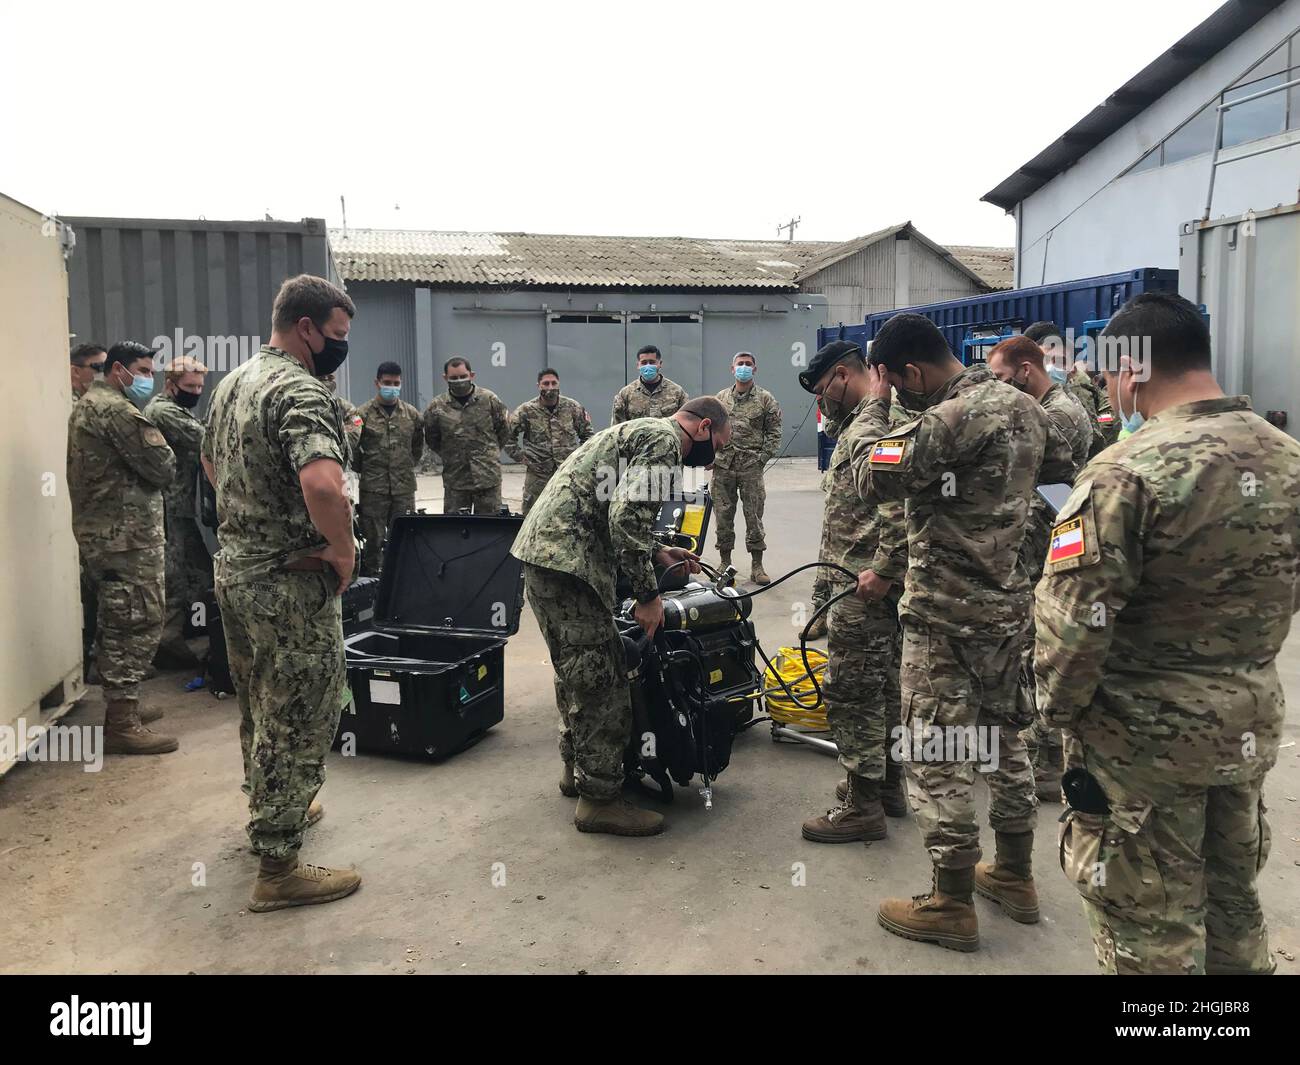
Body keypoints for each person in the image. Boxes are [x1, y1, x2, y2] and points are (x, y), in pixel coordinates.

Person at [1036, 292, 1300, 975]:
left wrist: (1056, 720)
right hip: (1244, 724)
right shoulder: (1288, 459)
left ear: (1133, 366)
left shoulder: (1124, 472)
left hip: (1139, 749)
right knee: (1232, 900)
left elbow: (1071, 631)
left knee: (1149, 926)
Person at [846, 313, 1072, 952]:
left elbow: (868, 477)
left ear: (910, 373)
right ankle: (1015, 873)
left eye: (892, 379)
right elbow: (1059, 462)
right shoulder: (1023, 407)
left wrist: (875, 406)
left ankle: (949, 901)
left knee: (937, 750)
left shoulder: (947, 418)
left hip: (945, 619)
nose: (890, 389)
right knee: (1005, 741)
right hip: (1009, 611)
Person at [201, 274, 361, 913]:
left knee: (259, 699)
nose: (340, 348)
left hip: (237, 573)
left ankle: (273, 802)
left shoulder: (234, 383)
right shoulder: (300, 389)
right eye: (338, 336)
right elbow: (323, 486)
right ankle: (279, 865)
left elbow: (211, 466)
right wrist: (343, 550)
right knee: (300, 709)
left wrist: (249, 515)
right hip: (289, 583)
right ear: (307, 329)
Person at [511, 396, 730, 836]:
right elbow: (627, 518)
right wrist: (648, 595)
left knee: (577, 668)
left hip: (548, 558)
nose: (712, 461)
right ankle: (600, 801)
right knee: (604, 675)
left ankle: (578, 771)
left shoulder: (641, 431)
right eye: (718, 447)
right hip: (570, 564)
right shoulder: (667, 443)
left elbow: (614, 511)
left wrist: (657, 551)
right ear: (703, 427)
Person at [797, 341, 908, 842]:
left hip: (866, 588)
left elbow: (897, 502)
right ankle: (885, 787)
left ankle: (863, 807)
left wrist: (883, 570)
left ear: (843, 376)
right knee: (884, 687)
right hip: (854, 583)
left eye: (824, 392)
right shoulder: (860, 422)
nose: (823, 405)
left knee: (854, 691)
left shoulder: (879, 421)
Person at [985, 335, 1093, 801]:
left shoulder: (1059, 415)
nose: (999, 389)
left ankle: (1047, 763)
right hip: (1034, 546)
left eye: (1003, 380)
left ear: (1026, 371)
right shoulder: (1045, 407)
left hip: (1050, 550)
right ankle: (1036, 749)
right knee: (1028, 651)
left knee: (1042, 653)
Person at [67, 341, 179, 754]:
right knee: (135, 619)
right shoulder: (115, 409)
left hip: (108, 535)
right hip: (125, 537)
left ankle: (124, 706)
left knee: (117, 619)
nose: (148, 378)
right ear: (119, 370)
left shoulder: (89, 403)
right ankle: (121, 722)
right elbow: (162, 465)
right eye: (143, 370)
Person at [143, 355, 213, 671]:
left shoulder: (178, 409)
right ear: (171, 385)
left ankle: (185, 634)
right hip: (165, 509)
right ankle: (165, 644)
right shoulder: (163, 411)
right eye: (190, 386)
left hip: (179, 509)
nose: (196, 391)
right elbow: (206, 439)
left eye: (199, 386)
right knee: (172, 578)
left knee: (198, 572)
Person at [712, 351, 782, 584]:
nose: (744, 367)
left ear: (755, 369)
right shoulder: (720, 399)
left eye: (748, 364)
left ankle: (757, 565)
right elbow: (710, 430)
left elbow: (774, 432)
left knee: (754, 516)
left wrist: (762, 458)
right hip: (723, 467)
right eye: (739, 364)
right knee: (723, 516)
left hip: (751, 467)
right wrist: (710, 455)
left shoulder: (765, 399)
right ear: (732, 369)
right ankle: (725, 562)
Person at [354, 361, 423, 576]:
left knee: (403, 535)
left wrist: (405, 465)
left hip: (403, 488)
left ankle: (402, 578)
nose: (392, 387)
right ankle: (372, 581)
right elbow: (354, 449)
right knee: (372, 539)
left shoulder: (412, 415)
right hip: (374, 489)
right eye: (387, 382)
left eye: (396, 383)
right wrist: (367, 470)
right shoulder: (362, 415)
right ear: (377, 383)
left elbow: (417, 447)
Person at [422, 357, 512, 514]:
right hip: (456, 481)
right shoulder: (437, 407)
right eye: (454, 378)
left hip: (487, 479)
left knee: (489, 530)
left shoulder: (489, 400)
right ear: (445, 378)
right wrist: (451, 455)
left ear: (472, 375)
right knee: (455, 531)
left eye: (463, 376)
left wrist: (489, 453)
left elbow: (504, 430)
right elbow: (432, 438)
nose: (459, 381)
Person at [506, 368, 593, 514]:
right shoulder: (526, 410)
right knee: (532, 515)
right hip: (537, 475)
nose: (550, 387)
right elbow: (507, 435)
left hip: (567, 472)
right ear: (538, 385)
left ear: (559, 384)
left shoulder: (572, 407)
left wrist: (580, 458)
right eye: (546, 383)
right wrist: (521, 457)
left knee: (570, 513)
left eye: (554, 383)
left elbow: (588, 434)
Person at [1024, 321, 1115, 456]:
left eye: (1059, 361)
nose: (1050, 366)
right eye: (1045, 360)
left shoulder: (1077, 385)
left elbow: (1096, 428)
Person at [610, 345, 688, 424]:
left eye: (652, 362)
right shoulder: (625, 394)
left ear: (660, 363)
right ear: (638, 365)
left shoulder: (677, 392)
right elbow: (617, 428)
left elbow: (686, 422)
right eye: (644, 363)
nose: (648, 366)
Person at [321, 371, 363, 463]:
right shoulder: (304, 404)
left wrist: (333, 441)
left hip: (340, 461)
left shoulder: (344, 406)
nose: (325, 382)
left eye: (328, 378)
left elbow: (357, 426)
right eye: (322, 378)